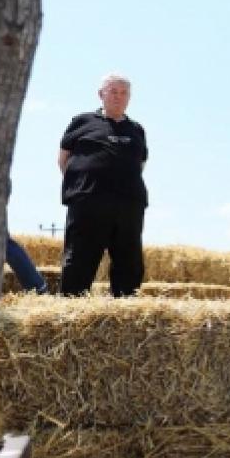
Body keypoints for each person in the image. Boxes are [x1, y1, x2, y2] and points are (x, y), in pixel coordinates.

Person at [57, 73, 148, 297]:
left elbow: (141, 164)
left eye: (123, 93)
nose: (118, 97)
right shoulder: (82, 122)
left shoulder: (137, 130)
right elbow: (63, 159)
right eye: (113, 91)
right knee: (80, 259)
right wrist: (82, 184)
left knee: (129, 262)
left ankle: (126, 309)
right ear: (101, 95)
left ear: (129, 98)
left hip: (128, 204)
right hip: (88, 201)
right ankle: (71, 309)